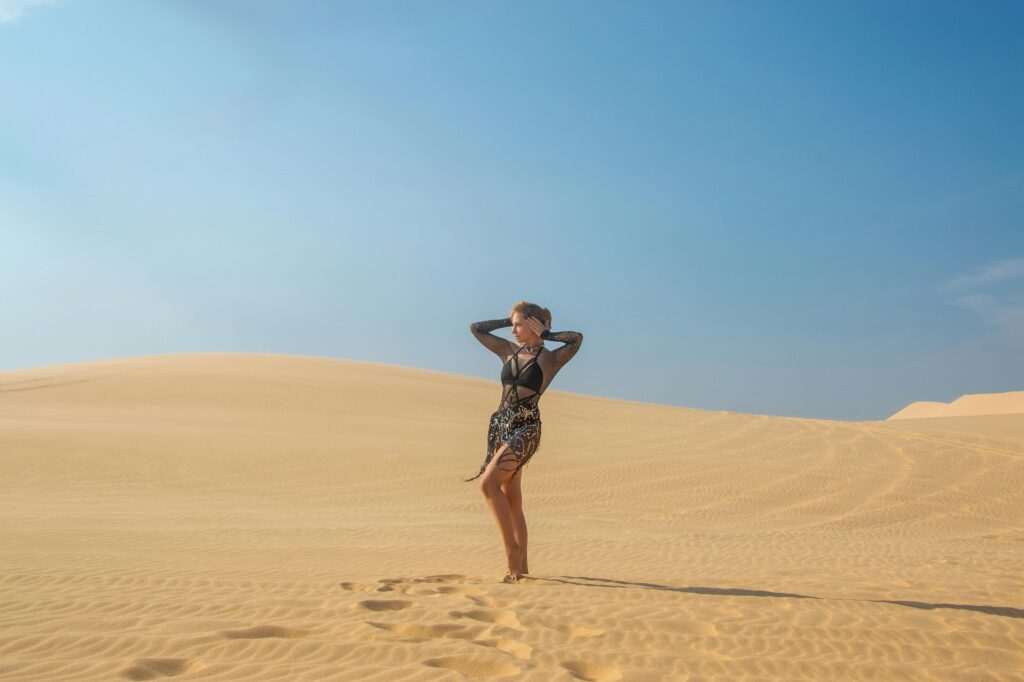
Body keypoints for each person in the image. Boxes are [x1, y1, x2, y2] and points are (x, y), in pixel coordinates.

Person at [465, 300, 584, 583]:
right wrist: (510, 319)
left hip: (527, 428)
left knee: (488, 484)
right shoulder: (508, 351)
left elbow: (576, 339)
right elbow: (476, 329)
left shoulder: (550, 359)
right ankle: (524, 568)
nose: (514, 331)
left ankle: (512, 554)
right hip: (500, 428)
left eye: (519, 325)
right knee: (512, 499)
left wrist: (545, 334)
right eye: (513, 325)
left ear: (533, 324)